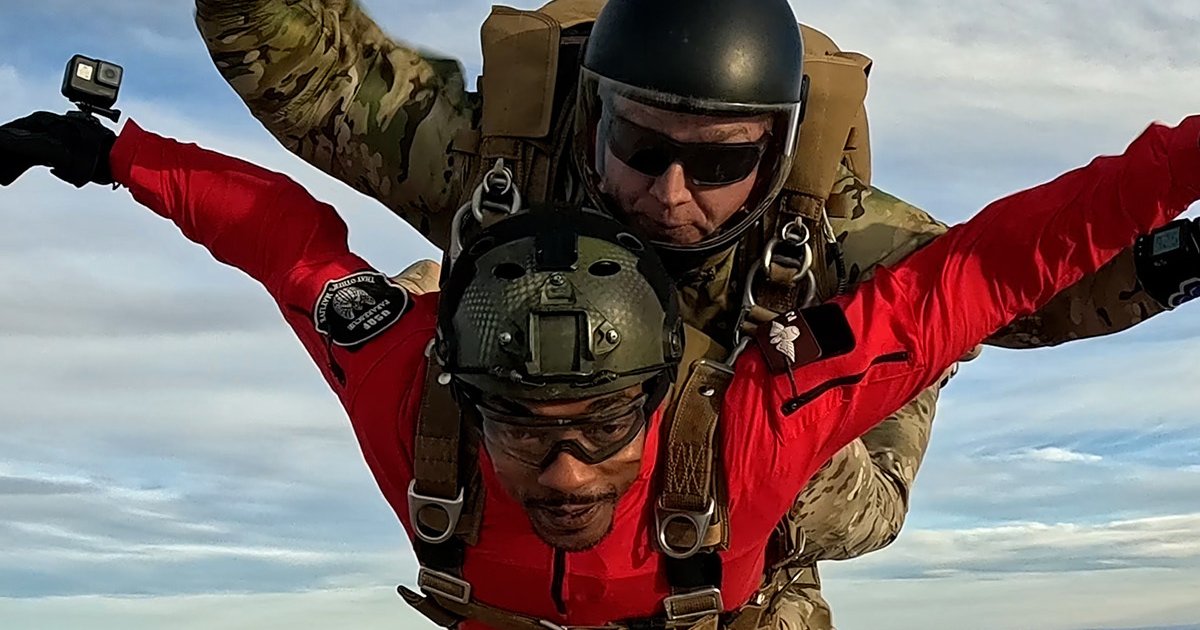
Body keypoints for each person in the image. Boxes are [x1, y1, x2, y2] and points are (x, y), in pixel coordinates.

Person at [1, 106, 1197, 628]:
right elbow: (283, 244)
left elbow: (978, 277)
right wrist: (118, 153)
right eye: (524, 431)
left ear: (664, 394)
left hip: (728, 587)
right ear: (470, 399)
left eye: (599, 426)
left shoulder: (746, 426)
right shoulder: (410, 386)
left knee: (898, 374)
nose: (565, 470)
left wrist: (1182, 178)